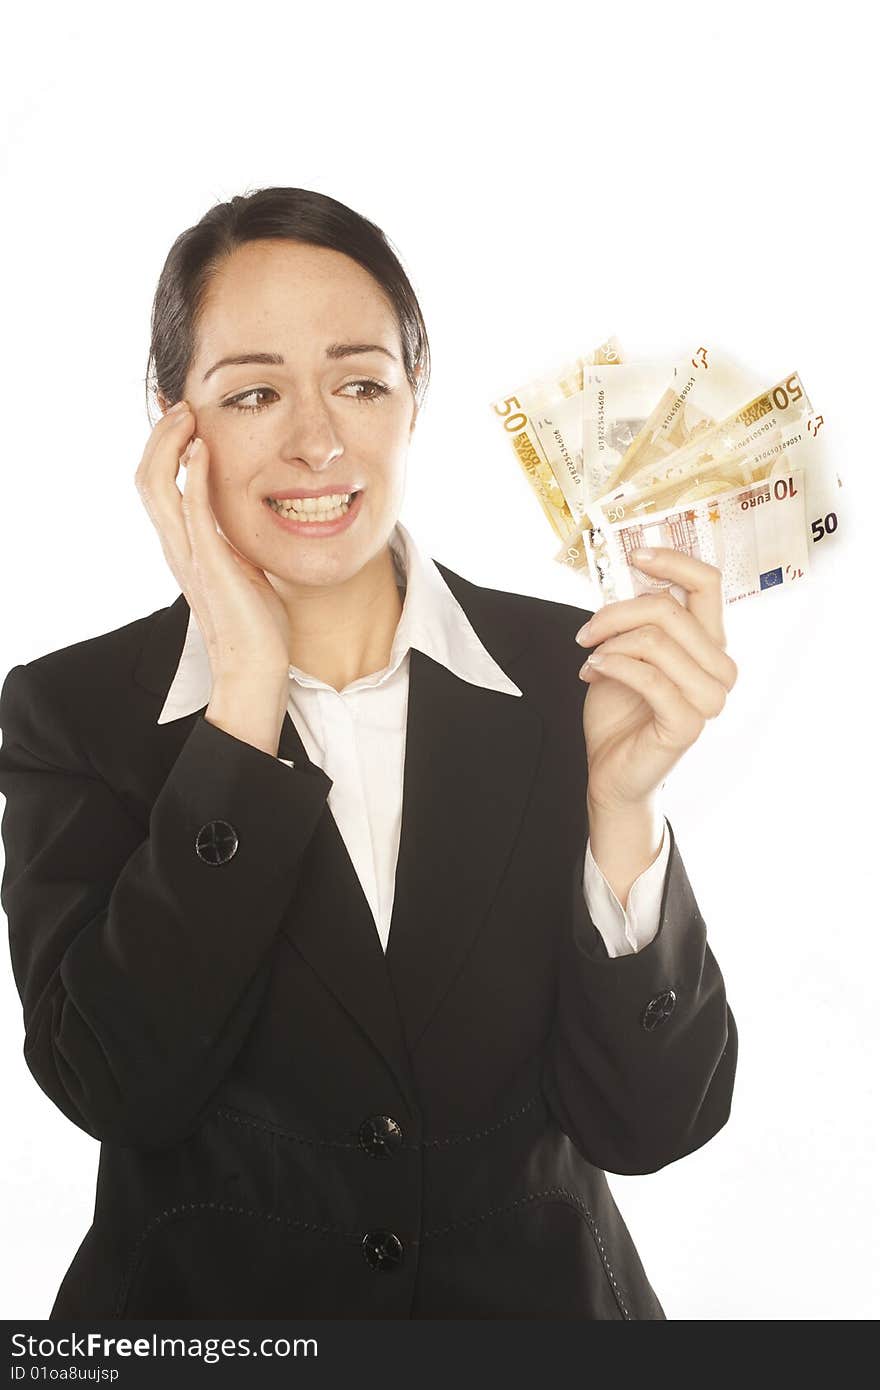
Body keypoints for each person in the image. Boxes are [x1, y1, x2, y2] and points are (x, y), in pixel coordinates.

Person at [0, 186, 738, 1320]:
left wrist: (621, 812)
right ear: (173, 426)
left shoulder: (571, 675)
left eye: (360, 383)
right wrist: (242, 696)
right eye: (253, 392)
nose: (316, 441)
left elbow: (649, 1125)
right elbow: (120, 1085)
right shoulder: (71, 713)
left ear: (413, 399)